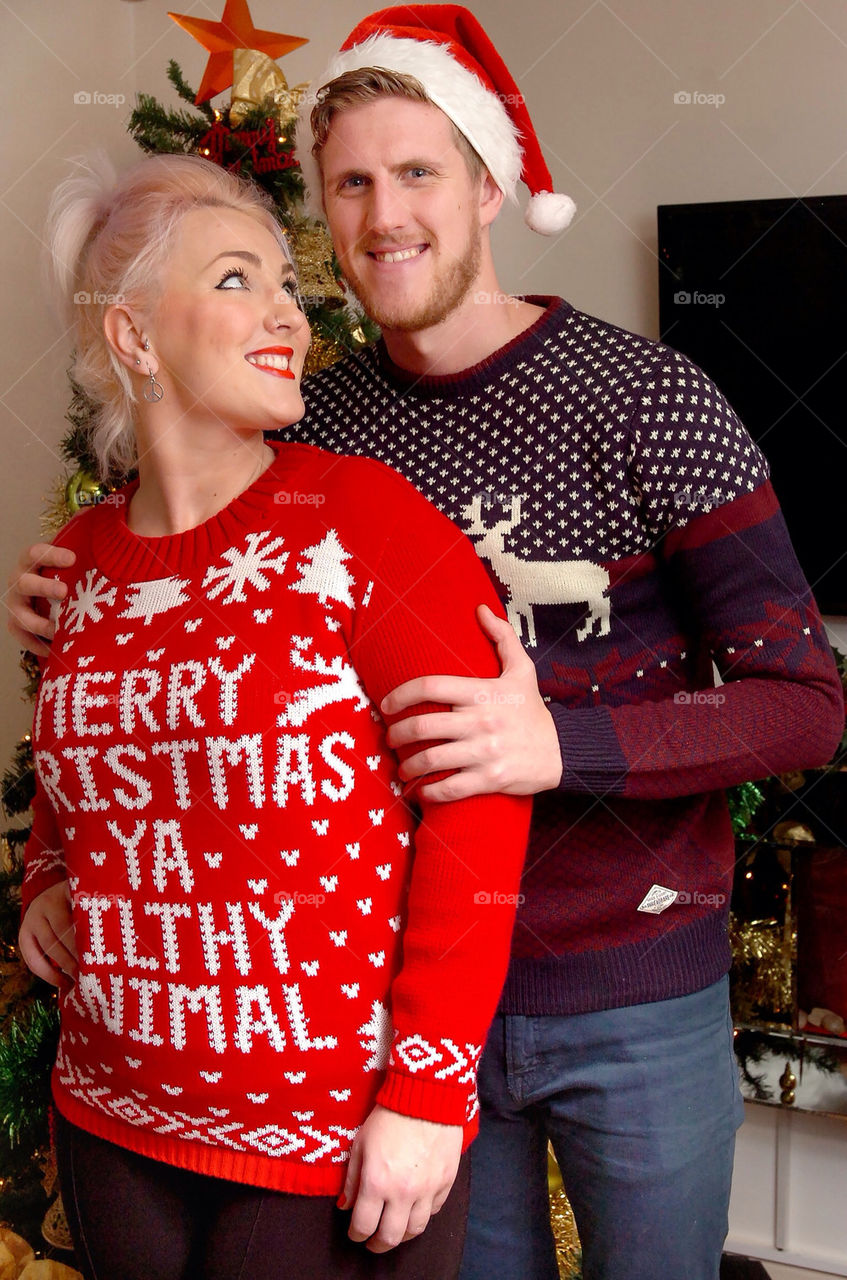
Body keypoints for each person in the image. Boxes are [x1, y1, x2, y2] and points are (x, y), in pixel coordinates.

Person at [8, 6, 844, 1279]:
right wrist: (72, 614)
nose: (383, 213)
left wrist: (550, 744)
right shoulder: (306, 424)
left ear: (488, 184)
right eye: (349, 182)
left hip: (626, 984)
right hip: (400, 1006)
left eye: (417, 172)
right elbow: (223, 657)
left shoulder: (647, 398)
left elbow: (803, 703)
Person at [15, 149, 531, 1280]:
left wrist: (429, 1093)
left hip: (327, 1142)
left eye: (288, 286)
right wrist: (46, 877)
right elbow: (87, 770)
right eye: (239, 280)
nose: (290, 314)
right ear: (135, 337)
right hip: (111, 1118)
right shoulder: (80, 562)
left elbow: (476, 808)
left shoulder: (368, 522)